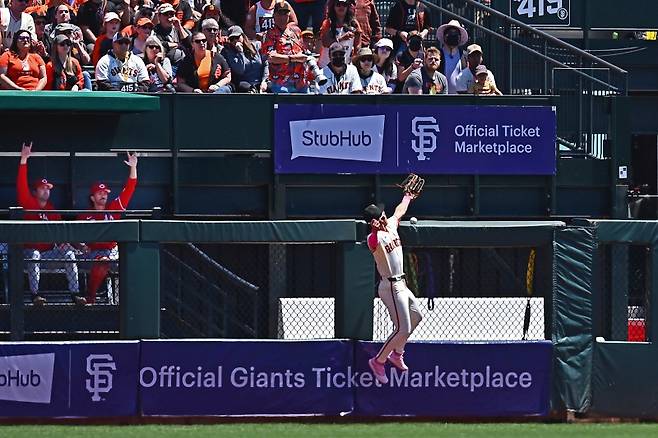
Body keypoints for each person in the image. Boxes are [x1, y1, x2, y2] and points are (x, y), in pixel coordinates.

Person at [363, 191, 422, 384]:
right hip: (390, 286)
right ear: (373, 222)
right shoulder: (375, 238)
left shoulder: (390, 226)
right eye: (379, 217)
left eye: (382, 214)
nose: (383, 217)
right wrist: (373, 231)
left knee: (417, 316)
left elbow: (398, 213)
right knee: (402, 328)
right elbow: (372, 243)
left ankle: (397, 354)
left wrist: (407, 197)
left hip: (402, 283)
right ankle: (378, 361)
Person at [17, 142, 82, 306]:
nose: (46, 190)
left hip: (48, 254)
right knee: (34, 255)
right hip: (28, 253)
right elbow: (21, 185)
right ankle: (35, 296)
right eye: (42, 188)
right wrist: (24, 159)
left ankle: (75, 295)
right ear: (35, 191)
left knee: (69, 255)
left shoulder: (53, 210)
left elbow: (60, 234)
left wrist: (68, 245)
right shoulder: (28, 203)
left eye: (48, 188)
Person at [77, 152, 138, 305]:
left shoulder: (114, 208)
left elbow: (129, 189)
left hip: (111, 251)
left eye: (105, 193)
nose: (103, 195)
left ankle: (91, 298)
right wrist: (80, 245)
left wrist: (133, 168)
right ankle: (90, 297)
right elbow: (73, 237)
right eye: (100, 192)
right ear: (92, 197)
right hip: (91, 253)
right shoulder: (84, 215)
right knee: (101, 261)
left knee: (109, 261)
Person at [260, 1, 310, 93]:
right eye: (279, 14)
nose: (282, 17)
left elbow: (304, 52)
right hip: (280, 82)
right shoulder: (269, 35)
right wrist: (293, 58)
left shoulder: (296, 31)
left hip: (300, 82)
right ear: (274, 15)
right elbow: (271, 57)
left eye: (285, 14)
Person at [221, 24, 264, 92]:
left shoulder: (257, 45)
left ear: (243, 36)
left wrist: (264, 80)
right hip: (244, 85)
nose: (235, 40)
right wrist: (240, 53)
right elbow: (240, 70)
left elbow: (266, 63)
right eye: (232, 39)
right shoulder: (229, 52)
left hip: (260, 82)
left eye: (237, 37)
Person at [318, 0, 361, 67]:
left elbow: (357, 46)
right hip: (326, 65)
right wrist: (341, 38)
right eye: (338, 4)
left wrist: (354, 60)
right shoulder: (327, 23)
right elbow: (325, 42)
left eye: (344, 4)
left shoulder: (354, 23)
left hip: (344, 66)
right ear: (333, 7)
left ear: (348, 7)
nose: (341, 7)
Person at [153, 2, 191, 70]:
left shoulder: (178, 28)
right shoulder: (155, 30)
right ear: (159, 16)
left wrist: (179, 27)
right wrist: (177, 44)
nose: (169, 17)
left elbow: (188, 44)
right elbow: (159, 43)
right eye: (166, 14)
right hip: (165, 65)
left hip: (183, 64)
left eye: (171, 14)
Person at [436, 19, 468, 94]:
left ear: (460, 37)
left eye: (456, 34)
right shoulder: (437, 55)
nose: (452, 35)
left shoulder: (464, 56)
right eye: (450, 33)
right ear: (444, 36)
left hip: (460, 99)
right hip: (442, 98)